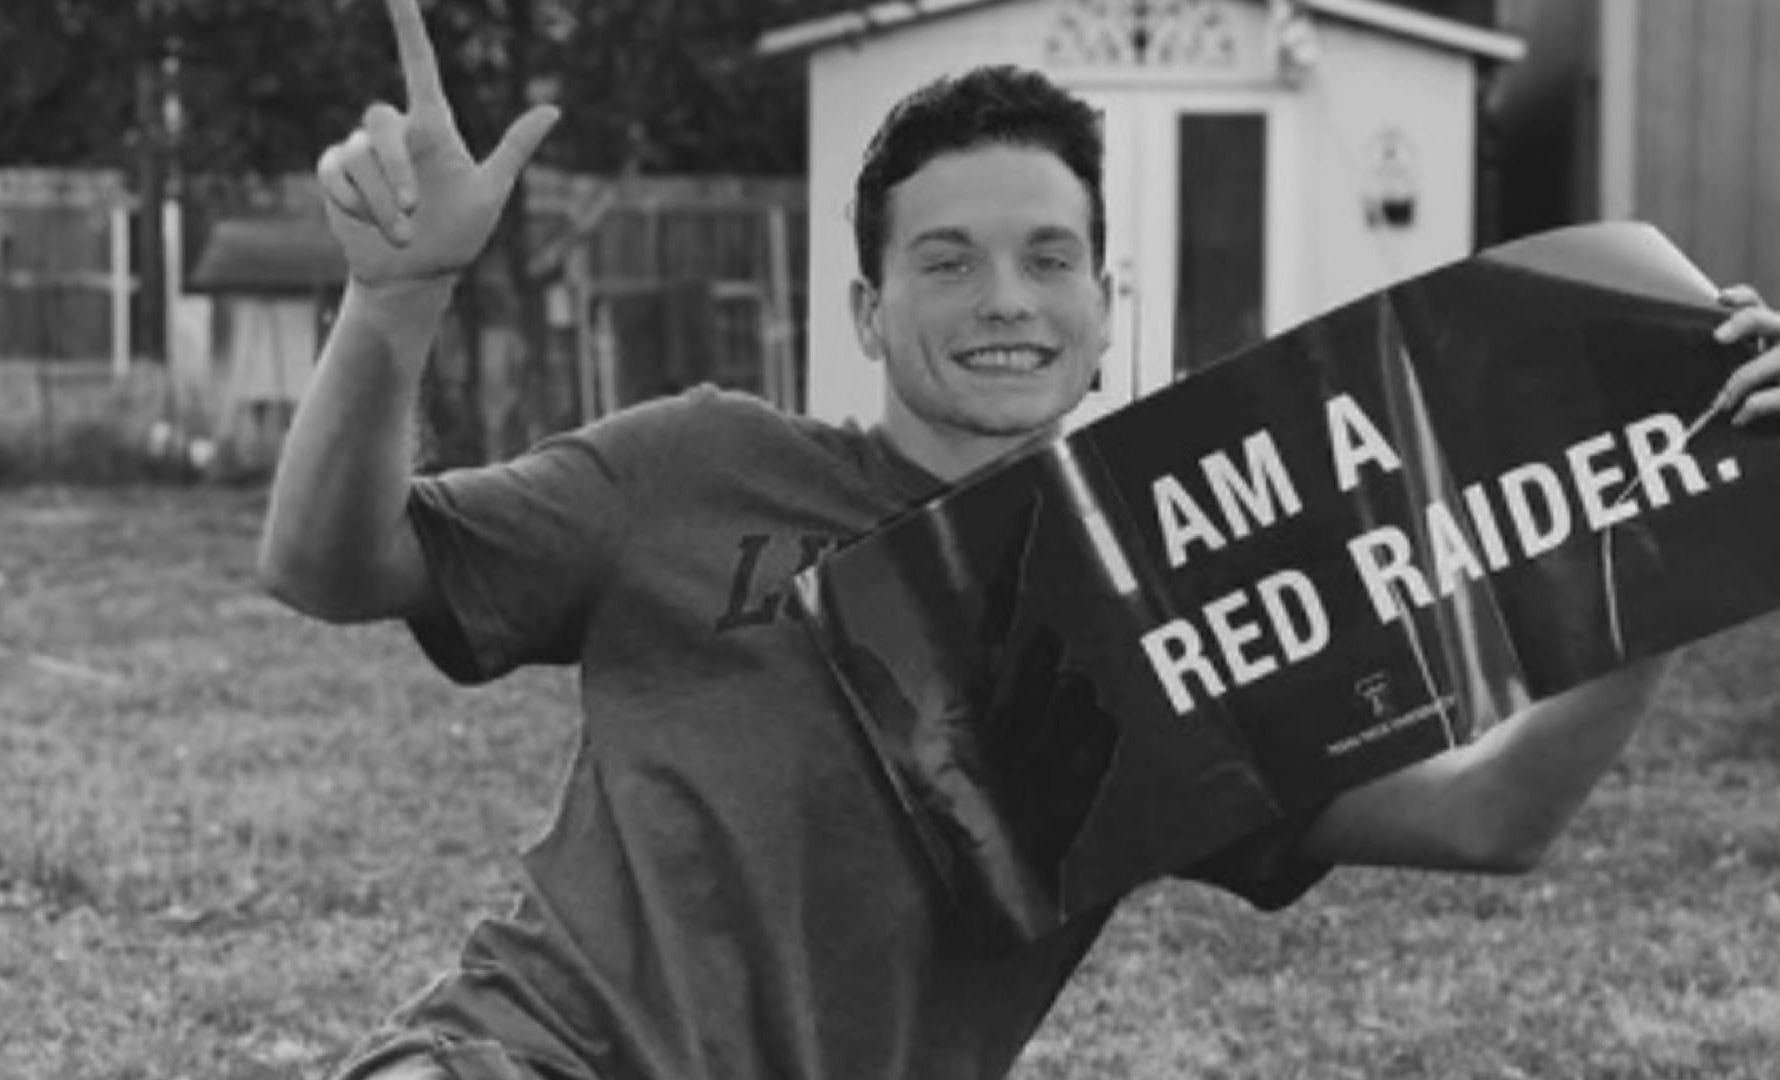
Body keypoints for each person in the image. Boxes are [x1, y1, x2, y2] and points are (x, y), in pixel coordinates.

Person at [260, 2, 1780, 1077]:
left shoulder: (1174, 606)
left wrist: (1678, 541)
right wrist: (392, 309)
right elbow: (336, 567)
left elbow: (1486, 820)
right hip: (524, 1050)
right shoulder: (694, 465)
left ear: (1105, 307)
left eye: (1049, 257)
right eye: (948, 260)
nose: (1004, 298)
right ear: (867, 311)